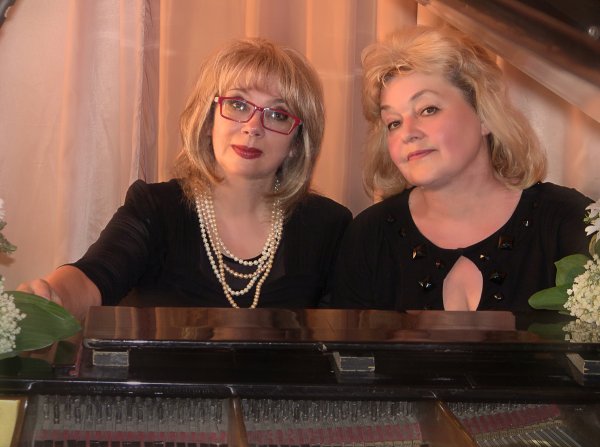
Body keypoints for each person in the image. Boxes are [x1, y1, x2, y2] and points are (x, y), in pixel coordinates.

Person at [18, 37, 352, 320]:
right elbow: (93, 278)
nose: (253, 127)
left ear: (296, 144)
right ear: (208, 122)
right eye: (238, 105)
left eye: (277, 114)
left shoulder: (328, 226)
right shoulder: (155, 208)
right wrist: (50, 297)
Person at [331, 25, 592, 312]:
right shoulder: (368, 237)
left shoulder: (568, 221)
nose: (408, 133)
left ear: (484, 115)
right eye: (394, 122)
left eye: (428, 109)